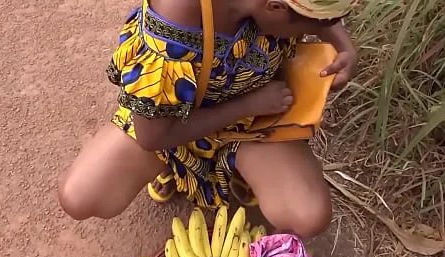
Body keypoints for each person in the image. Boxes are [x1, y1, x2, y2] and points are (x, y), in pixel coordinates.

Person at [57, 0, 358, 238]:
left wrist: (345, 46)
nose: (322, 30)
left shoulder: (277, 7)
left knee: (309, 216)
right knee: (80, 196)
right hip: (172, 123)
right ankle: (176, 170)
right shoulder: (176, 18)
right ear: (276, 6)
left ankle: (237, 169)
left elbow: (316, 13)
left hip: (252, 123)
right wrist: (248, 104)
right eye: (311, 27)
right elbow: (152, 137)